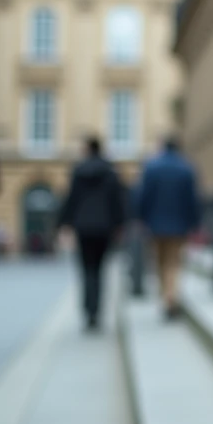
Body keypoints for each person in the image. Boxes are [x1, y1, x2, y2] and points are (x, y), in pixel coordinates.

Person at [58, 136, 127, 331]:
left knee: (86, 269)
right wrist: (120, 224)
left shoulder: (78, 171)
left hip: (83, 226)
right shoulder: (110, 172)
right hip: (104, 226)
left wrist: (64, 223)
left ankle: (87, 311)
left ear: (88, 149)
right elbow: (117, 200)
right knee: (99, 269)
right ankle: (97, 312)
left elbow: (71, 198)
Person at [135, 136, 201, 320]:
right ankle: (171, 298)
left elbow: (143, 196)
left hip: (155, 225)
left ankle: (165, 297)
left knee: (158, 262)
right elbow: (193, 199)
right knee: (174, 262)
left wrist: (140, 218)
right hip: (179, 225)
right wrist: (195, 223)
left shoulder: (151, 167)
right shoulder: (186, 168)